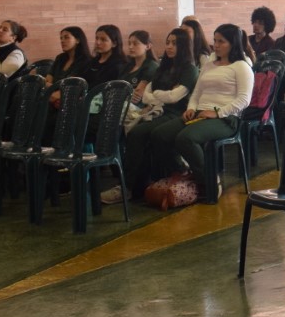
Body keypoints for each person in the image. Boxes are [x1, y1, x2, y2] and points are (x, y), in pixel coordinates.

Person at [145, 23, 253, 199]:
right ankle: (182, 171)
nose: (216, 45)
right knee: (159, 134)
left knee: (186, 138)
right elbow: (197, 92)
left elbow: (244, 100)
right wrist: (191, 108)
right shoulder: (210, 64)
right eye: (215, 40)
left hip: (226, 119)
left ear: (233, 43)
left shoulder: (241, 66)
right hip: (199, 113)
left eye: (221, 41)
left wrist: (217, 112)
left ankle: (210, 182)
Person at [112, 27, 200, 203]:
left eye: (175, 43)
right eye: (168, 42)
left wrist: (158, 95)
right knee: (136, 132)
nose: (169, 47)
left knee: (142, 133)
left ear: (183, 46)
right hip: (157, 111)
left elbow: (175, 97)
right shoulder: (163, 67)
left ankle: (130, 186)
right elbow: (146, 95)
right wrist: (163, 94)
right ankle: (136, 185)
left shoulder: (189, 69)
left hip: (176, 114)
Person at [82, 25, 129, 89]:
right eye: (97, 38)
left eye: (103, 39)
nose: (98, 42)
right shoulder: (92, 62)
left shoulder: (119, 65)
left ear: (114, 43)